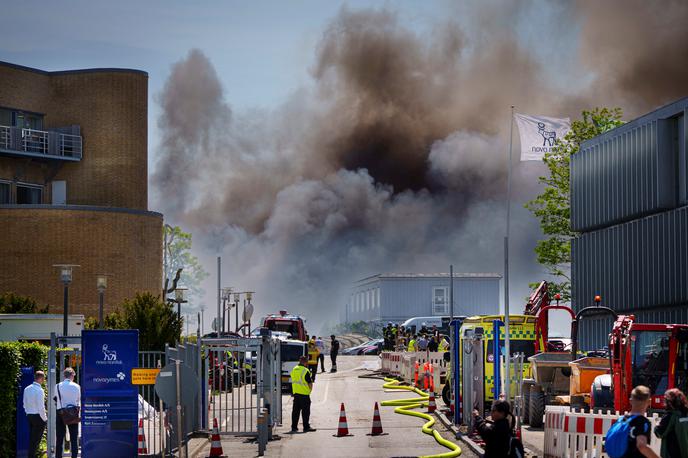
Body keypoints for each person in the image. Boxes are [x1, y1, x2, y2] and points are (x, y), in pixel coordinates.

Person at [619, 385, 659, 458]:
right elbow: (641, 445)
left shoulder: (622, 420)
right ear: (649, 402)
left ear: (630, 401)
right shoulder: (642, 422)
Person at [54, 367, 80, 458]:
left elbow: (56, 398)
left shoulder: (57, 386)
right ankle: (74, 456)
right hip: (73, 413)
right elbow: (78, 399)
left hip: (60, 412)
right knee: (73, 438)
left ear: (64, 375)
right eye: (74, 375)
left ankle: (58, 456)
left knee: (60, 438)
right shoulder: (77, 386)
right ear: (72, 375)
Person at [654, 388, 688, 458]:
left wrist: (656, 425)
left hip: (672, 454)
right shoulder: (686, 414)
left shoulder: (670, 416)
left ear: (668, 401)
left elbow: (659, 433)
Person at [23, 370, 47, 458]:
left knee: (32, 439)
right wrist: (44, 419)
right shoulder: (40, 390)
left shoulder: (27, 388)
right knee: (36, 440)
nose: (44, 380)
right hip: (38, 417)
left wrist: (28, 413)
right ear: (41, 378)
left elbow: (24, 403)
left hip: (29, 415)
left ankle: (31, 455)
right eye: (43, 379)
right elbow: (41, 407)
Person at [290, 356, 316, 433]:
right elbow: (310, 383)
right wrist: (309, 391)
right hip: (304, 394)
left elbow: (293, 379)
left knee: (295, 411)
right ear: (305, 362)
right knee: (305, 412)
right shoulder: (305, 370)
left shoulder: (294, 369)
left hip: (296, 394)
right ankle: (306, 427)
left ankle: (294, 427)